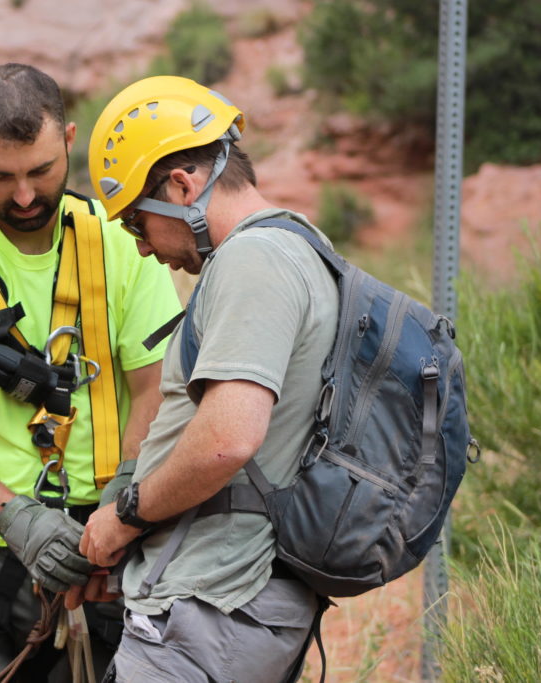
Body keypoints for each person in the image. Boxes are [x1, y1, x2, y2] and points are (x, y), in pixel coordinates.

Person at [0, 63, 181, 682]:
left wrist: (123, 507)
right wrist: (19, 522)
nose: (23, 196)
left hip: (112, 544)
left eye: (41, 171)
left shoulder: (124, 244)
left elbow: (154, 389)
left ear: (70, 140)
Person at [75, 75, 338, 682]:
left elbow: (228, 438)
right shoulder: (301, 245)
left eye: (137, 223)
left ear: (182, 185)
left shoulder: (254, 261)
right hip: (223, 612)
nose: (140, 248)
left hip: (206, 615)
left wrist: (125, 517)